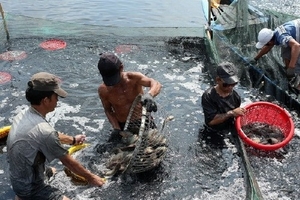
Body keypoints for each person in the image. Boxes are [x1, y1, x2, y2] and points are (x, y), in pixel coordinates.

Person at [7, 72, 105, 200]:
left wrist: (73, 140)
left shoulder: (25, 114)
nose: (58, 100)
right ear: (45, 100)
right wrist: (92, 178)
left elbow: (49, 135)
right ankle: (25, 196)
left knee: (52, 170)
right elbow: (69, 163)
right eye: (56, 96)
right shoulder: (44, 131)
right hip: (30, 187)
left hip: (19, 175)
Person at [97, 52, 162, 141]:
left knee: (157, 147)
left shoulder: (134, 78)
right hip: (123, 126)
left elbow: (155, 83)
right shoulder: (103, 90)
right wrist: (116, 128)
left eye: (114, 78)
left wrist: (150, 95)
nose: (112, 83)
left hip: (143, 120)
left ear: (121, 67)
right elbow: (108, 110)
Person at [201, 62, 246, 146]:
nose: (230, 87)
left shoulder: (236, 96)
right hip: (213, 132)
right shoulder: (208, 96)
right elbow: (211, 121)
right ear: (218, 80)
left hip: (229, 129)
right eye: (226, 84)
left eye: (233, 84)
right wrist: (231, 113)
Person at [252, 19, 300, 90]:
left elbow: (296, 46)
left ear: (270, 41)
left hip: (297, 39)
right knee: (286, 55)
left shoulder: (282, 37)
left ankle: (298, 87)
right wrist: (256, 58)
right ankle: (291, 78)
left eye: (266, 43)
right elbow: (267, 47)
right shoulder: (274, 35)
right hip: (295, 36)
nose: (266, 45)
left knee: (297, 63)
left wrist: (291, 67)